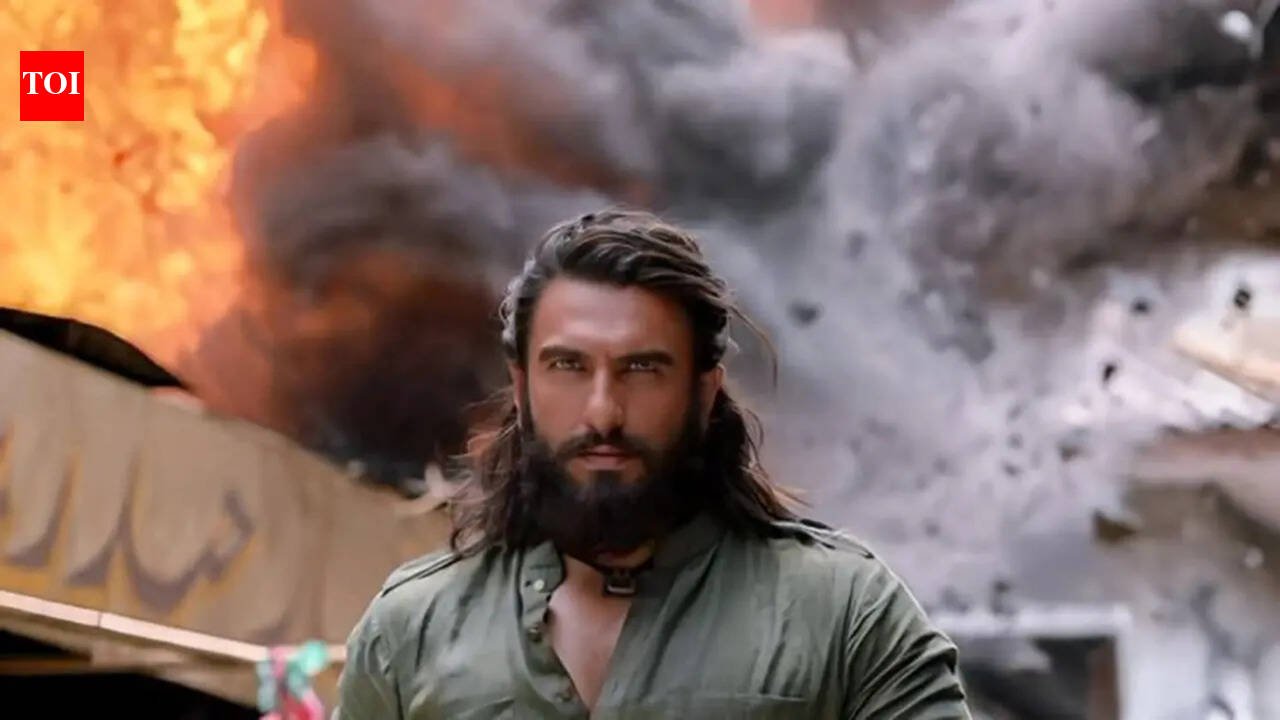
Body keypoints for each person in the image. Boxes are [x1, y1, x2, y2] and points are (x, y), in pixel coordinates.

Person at [333, 210, 971, 719]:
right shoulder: (413, 630)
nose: (603, 412)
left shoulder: (843, 614)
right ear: (522, 388)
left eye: (642, 368)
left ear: (704, 391)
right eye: (568, 366)